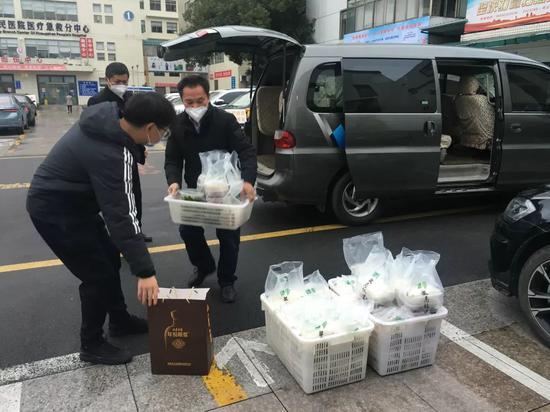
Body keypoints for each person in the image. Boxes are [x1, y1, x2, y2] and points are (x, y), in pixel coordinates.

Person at [27, 94, 176, 365]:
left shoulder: (108, 122)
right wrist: (145, 272)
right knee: (96, 275)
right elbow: (121, 216)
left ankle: (119, 320)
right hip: (55, 210)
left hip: (75, 205)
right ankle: (92, 344)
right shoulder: (112, 153)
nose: (162, 137)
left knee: (109, 258)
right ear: (150, 127)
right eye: (163, 132)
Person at [165, 76, 257, 303]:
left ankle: (227, 280)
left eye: (200, 101)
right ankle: (204, 265)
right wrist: (174, 181)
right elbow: (172, 159)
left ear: (208, 97)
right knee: (188, 230)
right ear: (182, 101)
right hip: (196, 189)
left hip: (226, 189)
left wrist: (247, 181)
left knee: (228, 237)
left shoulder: (225, 121)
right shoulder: (178, 124)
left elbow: (246, 151)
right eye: (189, 102)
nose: (195, 106)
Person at [88, 62, 153, 243]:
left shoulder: (130, 99)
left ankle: (136, 231)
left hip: (129, 155)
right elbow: (94, 131)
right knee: (116, 200)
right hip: (108, 158)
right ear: (108, 80)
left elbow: (137, 127)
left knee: (134, 195)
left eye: (125, 82)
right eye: (117, 82)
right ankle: (118, 236)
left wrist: (141, 148)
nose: (121, 85)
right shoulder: (97, 101)